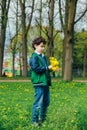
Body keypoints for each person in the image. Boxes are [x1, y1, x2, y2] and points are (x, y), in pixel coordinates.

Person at [29, 36, 52, 126]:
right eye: (41, 46)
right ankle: (34, 121)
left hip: (45, 82)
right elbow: (36, 69)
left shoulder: (44, 57)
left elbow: (46, 69)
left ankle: (42, 119)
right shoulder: (34, 57)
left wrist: (52, 68)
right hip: (39, 83)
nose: (43, 48)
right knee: (38, 102)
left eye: (44, 46)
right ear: (35, 46)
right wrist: (47, 68)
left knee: (46, 101)